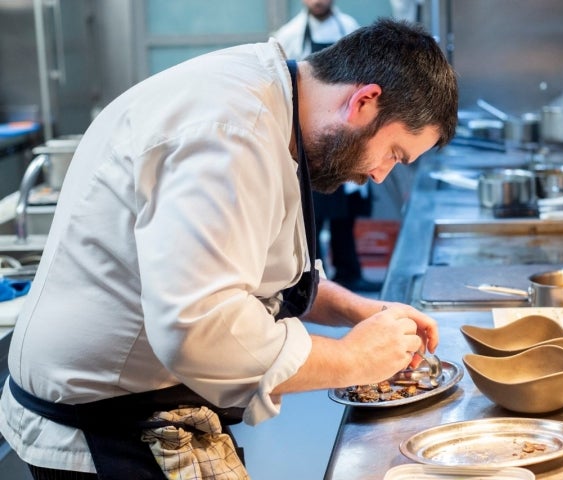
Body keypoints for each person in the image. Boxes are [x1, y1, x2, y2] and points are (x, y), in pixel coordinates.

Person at [0, 18, 458, 479]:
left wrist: (361, 311)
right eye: (394, 154)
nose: (380, 175)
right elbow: (201, 329)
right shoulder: (231, 130)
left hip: (140, 407)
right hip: (107, 429)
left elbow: (261, 273)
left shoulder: (275, 100)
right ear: (363, 102)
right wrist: (354, 359)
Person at [274, 0, 382, 292]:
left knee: (345, 215)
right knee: (311, 216)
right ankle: (310, 283)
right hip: (309, 138)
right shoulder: (288, 36)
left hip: (348, 134)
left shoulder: (350, 30)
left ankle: (349, 272)